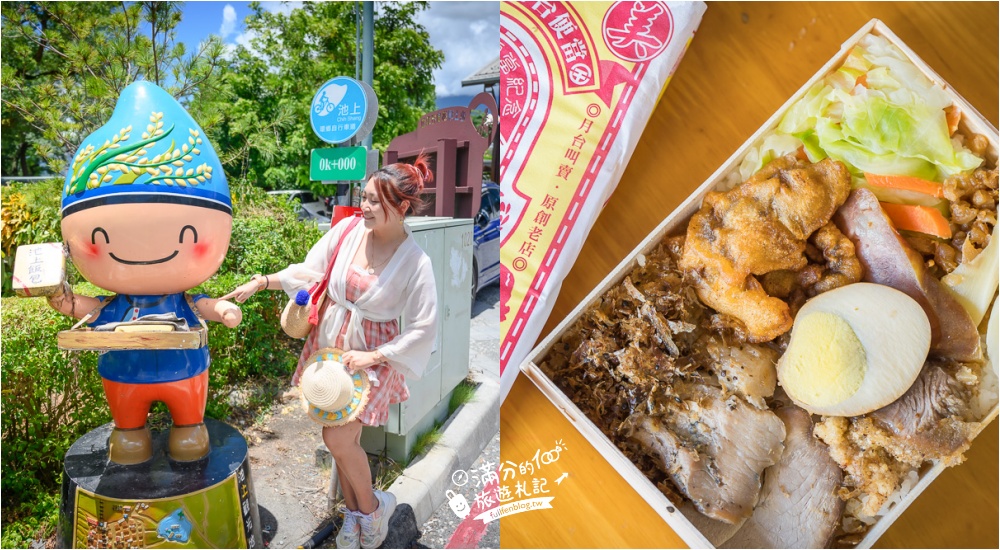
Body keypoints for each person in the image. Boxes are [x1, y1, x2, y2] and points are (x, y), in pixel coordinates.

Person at [225, 158, 438, 549]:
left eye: (375, 201)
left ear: (403, 206)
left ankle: (374, 510)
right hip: (330, 348)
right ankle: (359, 518)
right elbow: (311, 272)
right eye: (365, 197)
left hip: (371, 358)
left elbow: (425, 326)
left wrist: (375, 357)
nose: (365, 206)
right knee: (340, 439)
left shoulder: (415, 261)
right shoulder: (348, 230)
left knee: (337, 438)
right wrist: (262, 282)